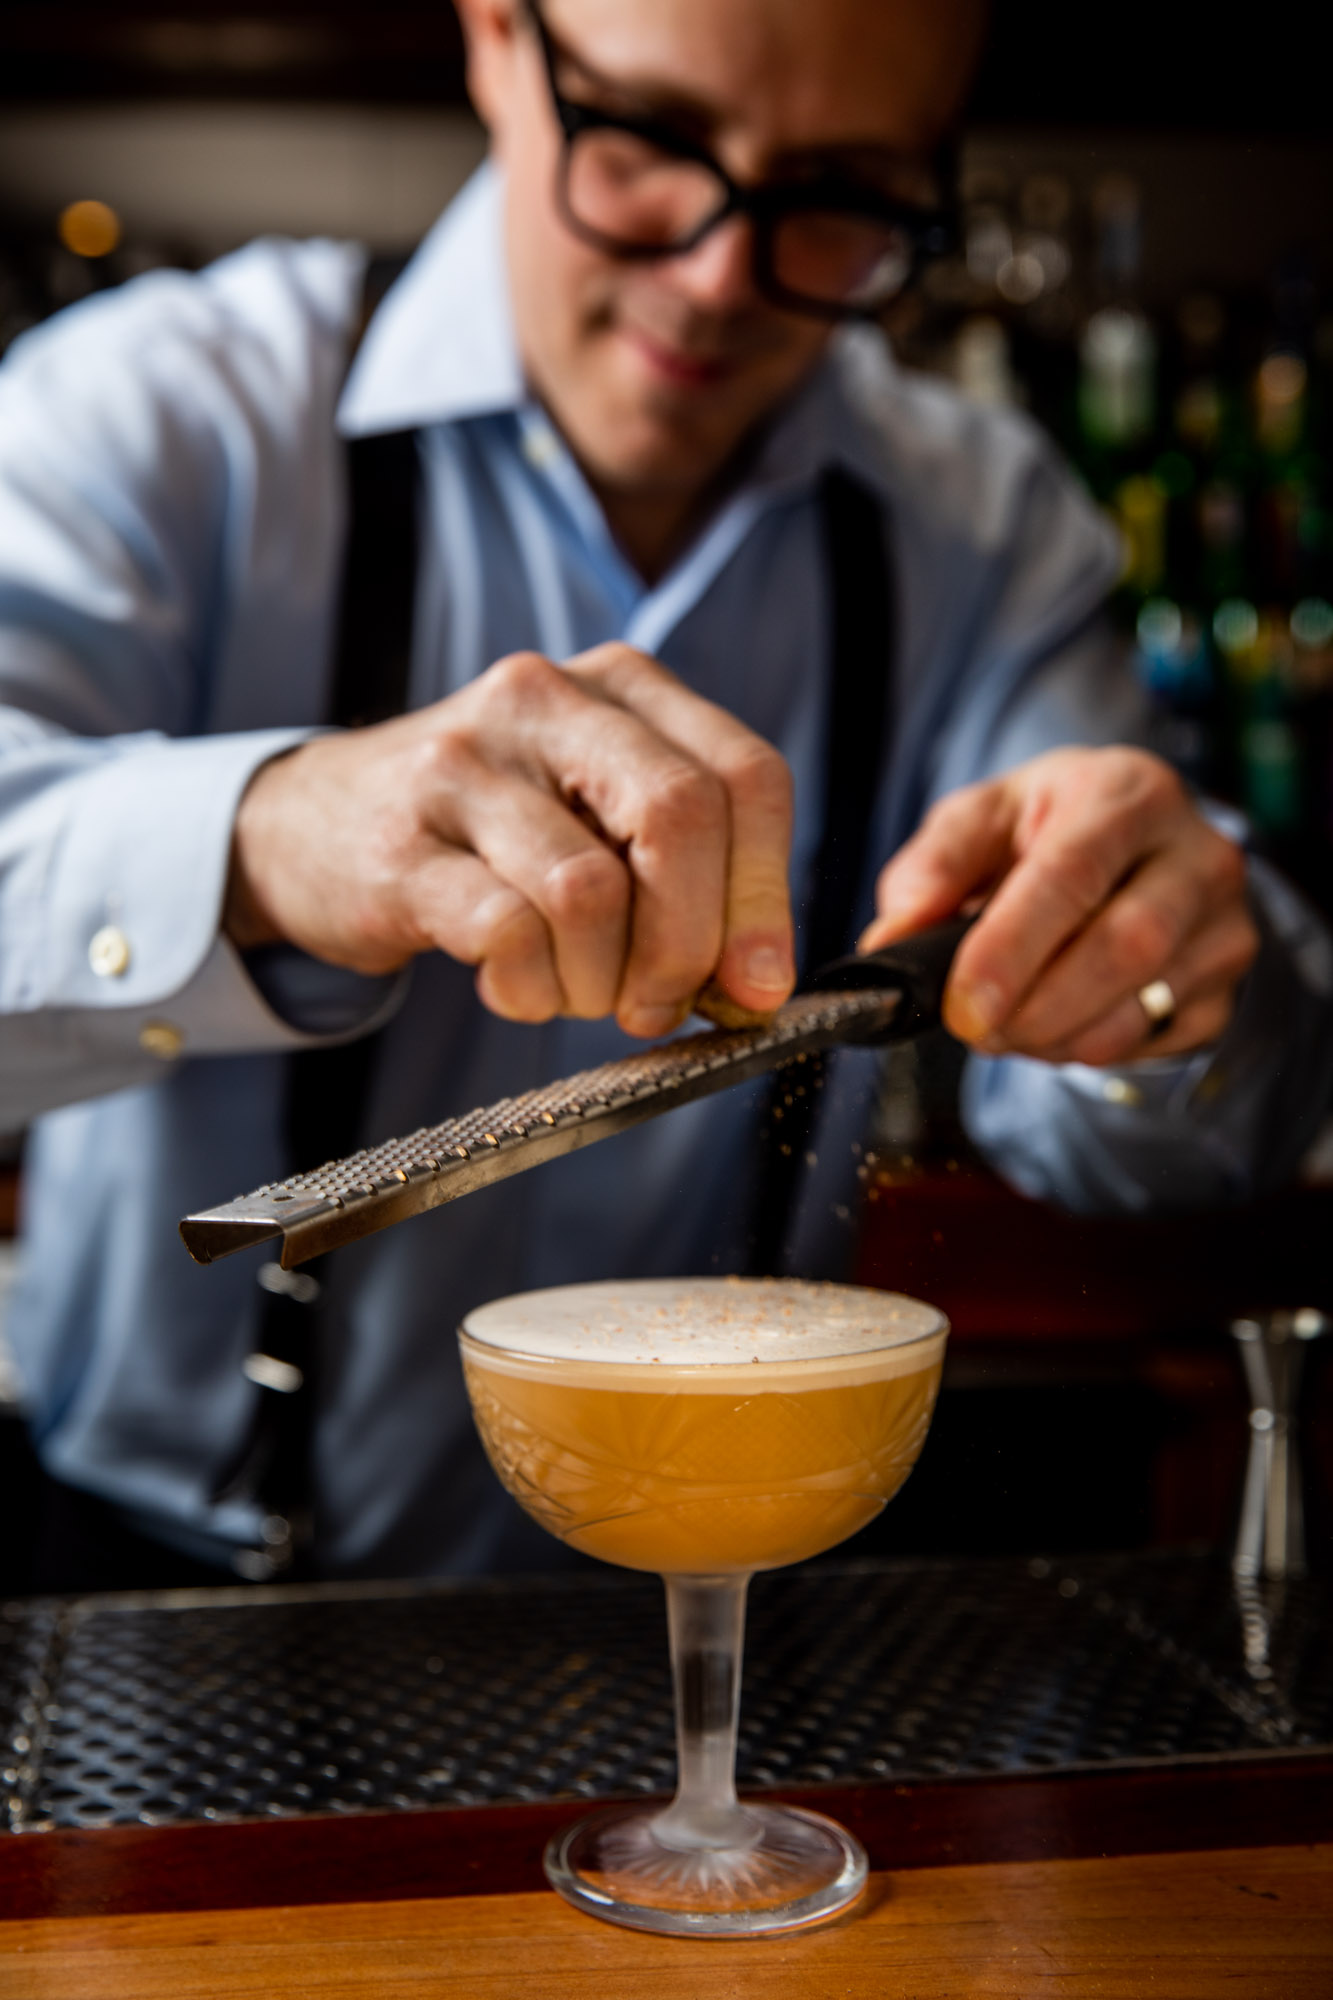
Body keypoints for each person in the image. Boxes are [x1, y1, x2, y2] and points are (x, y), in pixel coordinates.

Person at [1, 0, 1329, 1586]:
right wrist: (271, 835)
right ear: (499, 44)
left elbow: (1152, 1140)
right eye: (647, 138)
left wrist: (1160, 981)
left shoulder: (984, 527)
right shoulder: (152, 418)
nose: (713, 276)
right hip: (158, 1590)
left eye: (835, 189)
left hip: (727, 1607)